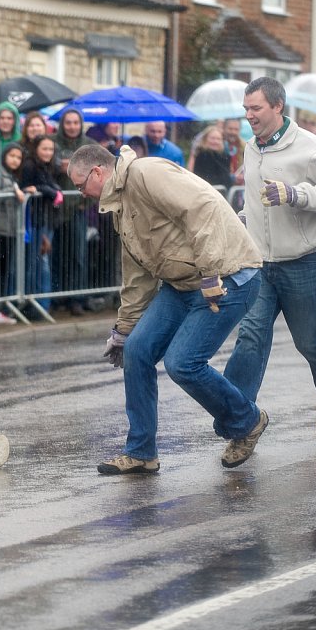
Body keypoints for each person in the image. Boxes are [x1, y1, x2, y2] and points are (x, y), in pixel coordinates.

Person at [68, 143, 265, 474]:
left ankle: (248, 421)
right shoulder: (119, 206)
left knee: (182, 363)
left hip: (229, 276)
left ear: (98, 172)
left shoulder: (147, 173)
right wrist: (123, 330)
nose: (80, 193)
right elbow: (137, 276)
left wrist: (209, 273)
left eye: (79, 184)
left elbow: (202, 208)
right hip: (183, 284)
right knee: (137, 350)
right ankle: (142, 451)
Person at [223, 76, 316, 439]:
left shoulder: (310, 146)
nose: (248, 115)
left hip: (305, 260)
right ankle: (237, 418)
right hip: (260, 263)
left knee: (309, 342)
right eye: (246, 109)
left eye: (256, 108)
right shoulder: (252, 148)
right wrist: (241, 224)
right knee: (250, 335)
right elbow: (256, 203)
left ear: (277, 106)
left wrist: (295, 194)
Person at [53, 108, 96, 316]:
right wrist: (55, 167)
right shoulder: (53, 142)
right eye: (68, 123)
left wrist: (85, 203)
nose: (72, 126)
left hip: (78, 208)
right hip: (55, 208)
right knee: (58, 255)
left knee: (78, 256)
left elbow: (100, 173)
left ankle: (78, 298)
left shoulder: (89, 145)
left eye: (75, 123)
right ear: (63, 125)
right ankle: (59, 296)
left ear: (81, 124)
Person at [20, 134, 63, 316]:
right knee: (37, 264)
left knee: (41, 262)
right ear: (36, 149)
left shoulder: (48, 165)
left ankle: (42, 305)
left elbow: (49, 185)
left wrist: (53, 191)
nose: (48, 152)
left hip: (45, 220)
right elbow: (30, 186)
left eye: (51, 149)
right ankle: (37, 305)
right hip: (35, 221)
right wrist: (49, 191)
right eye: (44, 148)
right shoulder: (30, 165)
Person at [0, 143, 26, 324]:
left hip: (10, 230)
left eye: (18, 157)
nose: (15, 160)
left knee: (6, 270)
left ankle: (1, 306)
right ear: (4, 156)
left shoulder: (13, 176)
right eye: (12, 156)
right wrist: (14, 191)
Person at [191, 125, 233, 192]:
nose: (215, 141)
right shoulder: (202, 155)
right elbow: (206, 177)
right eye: (212, 138)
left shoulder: (225, 156)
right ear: (205, 139)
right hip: (207, 192)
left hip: (223, 193)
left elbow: (226, 177)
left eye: (218, 139)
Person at [0, 101, 21, 165]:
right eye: (1, 118)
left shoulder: (21, 141)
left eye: (9, 118)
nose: (5, 121)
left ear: (15, 121)